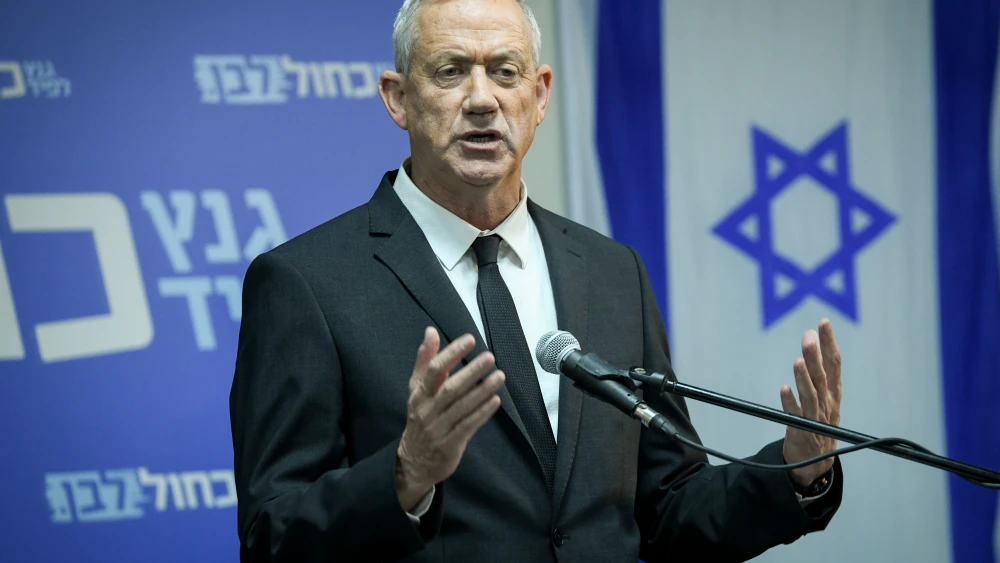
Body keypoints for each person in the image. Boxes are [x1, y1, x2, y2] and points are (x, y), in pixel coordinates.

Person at [229, 0, 845, 561]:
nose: (481, 98)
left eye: (505, 71)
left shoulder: (611, 272)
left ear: (541, 93)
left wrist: (793, 473)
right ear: (398, 98)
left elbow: (668, 507)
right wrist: (404, 477)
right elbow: (272, 537)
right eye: (449, 71)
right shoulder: (306, 283)